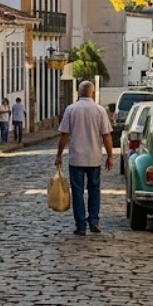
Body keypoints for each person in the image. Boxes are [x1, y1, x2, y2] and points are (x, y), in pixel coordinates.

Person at [54, 80, 114, 235]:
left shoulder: (71, 110)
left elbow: (64, 135)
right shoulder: (100, 110)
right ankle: (93, 220)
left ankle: (80, 225)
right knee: (94, 190)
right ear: (92, 93)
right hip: (94, 157)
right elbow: (106, 135)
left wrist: (59, 155)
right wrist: (110, 156)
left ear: (79, 93)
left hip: (76, 157)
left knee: (77, 191)